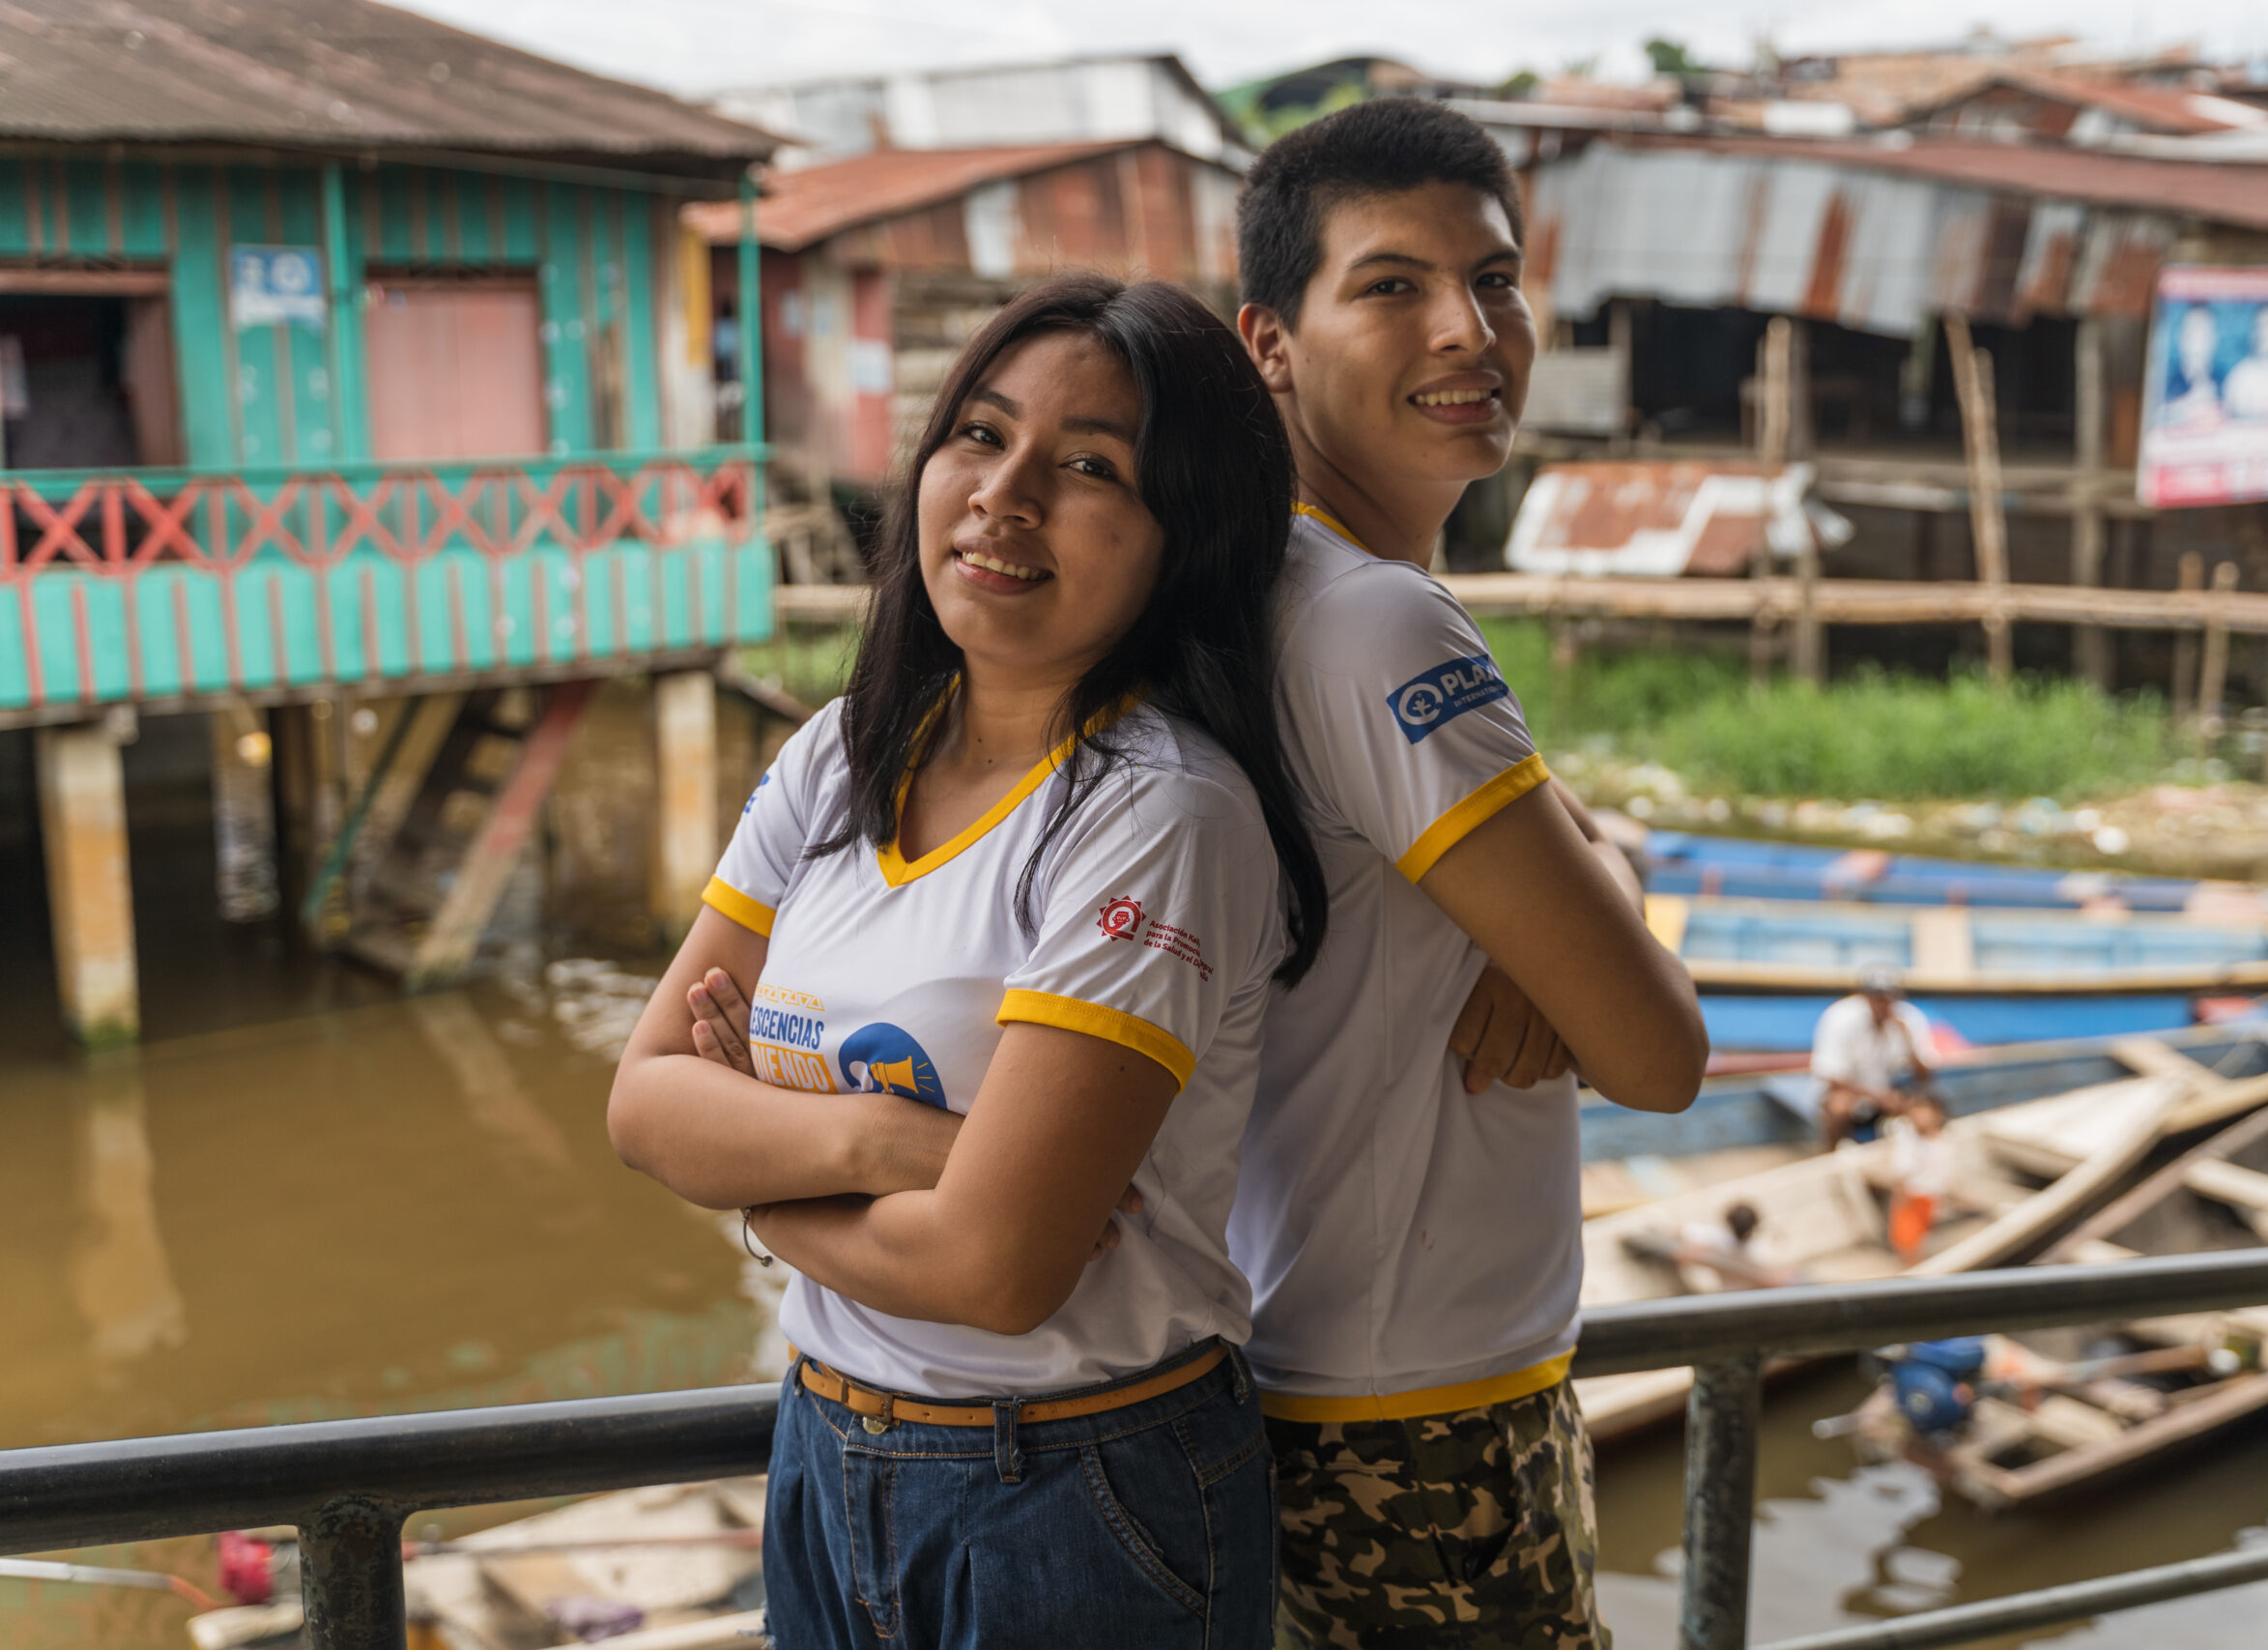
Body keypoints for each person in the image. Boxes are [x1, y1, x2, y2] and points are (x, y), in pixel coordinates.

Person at [607, 274, 1330, 1649]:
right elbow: (642, 1101)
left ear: (1188, 535)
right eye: (982, 436)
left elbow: (999, 1266)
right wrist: (890, 1138)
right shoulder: (841, 753)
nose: (1006, 496)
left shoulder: (1154, 812)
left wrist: (759, 1187)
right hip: (826, 1444)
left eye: (1091, 467)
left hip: (1076, 1486)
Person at [1230, 100, 1707, 1649]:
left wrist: (1574, 885)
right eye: (1390, 284)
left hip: (1295, 1374)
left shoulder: (1269, 585)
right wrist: (1595, 922)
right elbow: (1658, 1050)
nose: (1469, 328)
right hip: (1412, 1412)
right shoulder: (1375, 623)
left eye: (1494, 279)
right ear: (1270, 343)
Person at [1813, 965, 1938, 1150]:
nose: (1882, 1003)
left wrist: (1908, 1040)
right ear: (1864, 997)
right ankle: (1832, 1160)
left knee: (1926, 1111)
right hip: (1854, 1093)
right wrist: (1879, 1097)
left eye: (1887, 997)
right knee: (1838, 1106)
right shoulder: (1840, 1017)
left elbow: (1926, 1076)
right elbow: (1831, 1076)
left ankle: (1921, 1164)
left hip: (1892, 1091)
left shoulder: (1910, 1018)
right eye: (1876, 997)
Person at [1884, 1093, 1957, 1264]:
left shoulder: (1946, 1138)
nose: (1919, 1117)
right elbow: (1901, 1174)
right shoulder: (1907, 1140)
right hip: (1916, 1198)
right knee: (1908, 1244)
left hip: (1939, 1198)